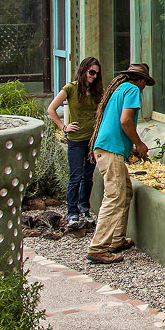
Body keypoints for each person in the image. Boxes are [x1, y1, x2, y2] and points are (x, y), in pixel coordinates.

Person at [87, 61, 153, 265]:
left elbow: (117, 124)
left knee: (125, 191)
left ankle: (116, 239)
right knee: (115, 196)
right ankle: (98, 248)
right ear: (140, 80)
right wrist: (139, 144)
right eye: (145, 83)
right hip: (110, 151)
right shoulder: (132, 89)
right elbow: (125, 121)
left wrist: (130, 148)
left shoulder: (120, 88)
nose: (144, 88)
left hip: (108, 149)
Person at [45, 56, 103, 233]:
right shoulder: (71, 88)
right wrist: (64, 127)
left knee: (88, 176)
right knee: (76, 176)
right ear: (83, 70)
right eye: (91, 72)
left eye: (96, 74)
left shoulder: (97, 91)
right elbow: (51, 109)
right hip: (76, 140)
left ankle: (84, 209)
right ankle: (72, 212)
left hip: (92, 139)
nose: (93, 77)